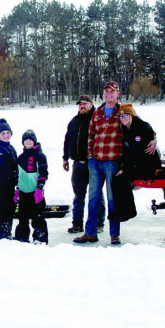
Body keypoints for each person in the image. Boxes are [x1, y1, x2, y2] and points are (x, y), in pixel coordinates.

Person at [73, 81, 124, 245]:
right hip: (95, 162)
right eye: (106, 92)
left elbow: (138, 128)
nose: (109, 95)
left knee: (112, 199)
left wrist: (153, 138)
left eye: (112, 92)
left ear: (118, 94)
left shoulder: (124, 110)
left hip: (112, 162)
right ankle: (90, 233)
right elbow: (91, 135)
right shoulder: (99, 112)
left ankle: (114, 234)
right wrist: (90, 155)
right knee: (93, 198)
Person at [108, 104, 160, 222]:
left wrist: (126, 169)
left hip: (148, 165)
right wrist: (124, 167)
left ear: (131, 115)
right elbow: (128, 152)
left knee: (122, 179)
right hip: (138, 164)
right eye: (121, 117)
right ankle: (122, 209)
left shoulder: (141, 127)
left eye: (125, 116)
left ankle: (129, 211)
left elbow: (137, 153)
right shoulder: (126, 129)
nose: (123, 119)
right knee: (117, 178)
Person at [63, 95, 106, 234]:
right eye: (79, 104)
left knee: (96, 194)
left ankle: (99, 223)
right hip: (78, 164)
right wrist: (65, 158)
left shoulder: (98, 119)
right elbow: (67, 140)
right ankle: (77, 224)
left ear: (91, 104)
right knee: (78, 195)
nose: (81, 106)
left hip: (94, 163)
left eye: (84, 104)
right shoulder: (74, 121)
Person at [14, 129, 49, 244]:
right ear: (23, 142)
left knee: (37, 216)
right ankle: (21, 237)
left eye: (30, 140)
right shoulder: (20, 157)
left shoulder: (40, 155)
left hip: (35, 192)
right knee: (22, 216)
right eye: (26, 140)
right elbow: (18, 174)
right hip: (23, 191)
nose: (28, 142)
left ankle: (40, 238)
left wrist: (40, 188)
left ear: (34, 141)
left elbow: (44, 173)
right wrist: (18, 190)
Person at [0, 118, 18, 241]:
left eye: (8, 133)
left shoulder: (10, 147)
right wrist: (9, 177)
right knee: (4, 209)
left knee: (11, 207)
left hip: (10, 183)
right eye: (3, 133)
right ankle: (3, 236)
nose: (6, 135)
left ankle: (8, 233)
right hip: (2, 183)